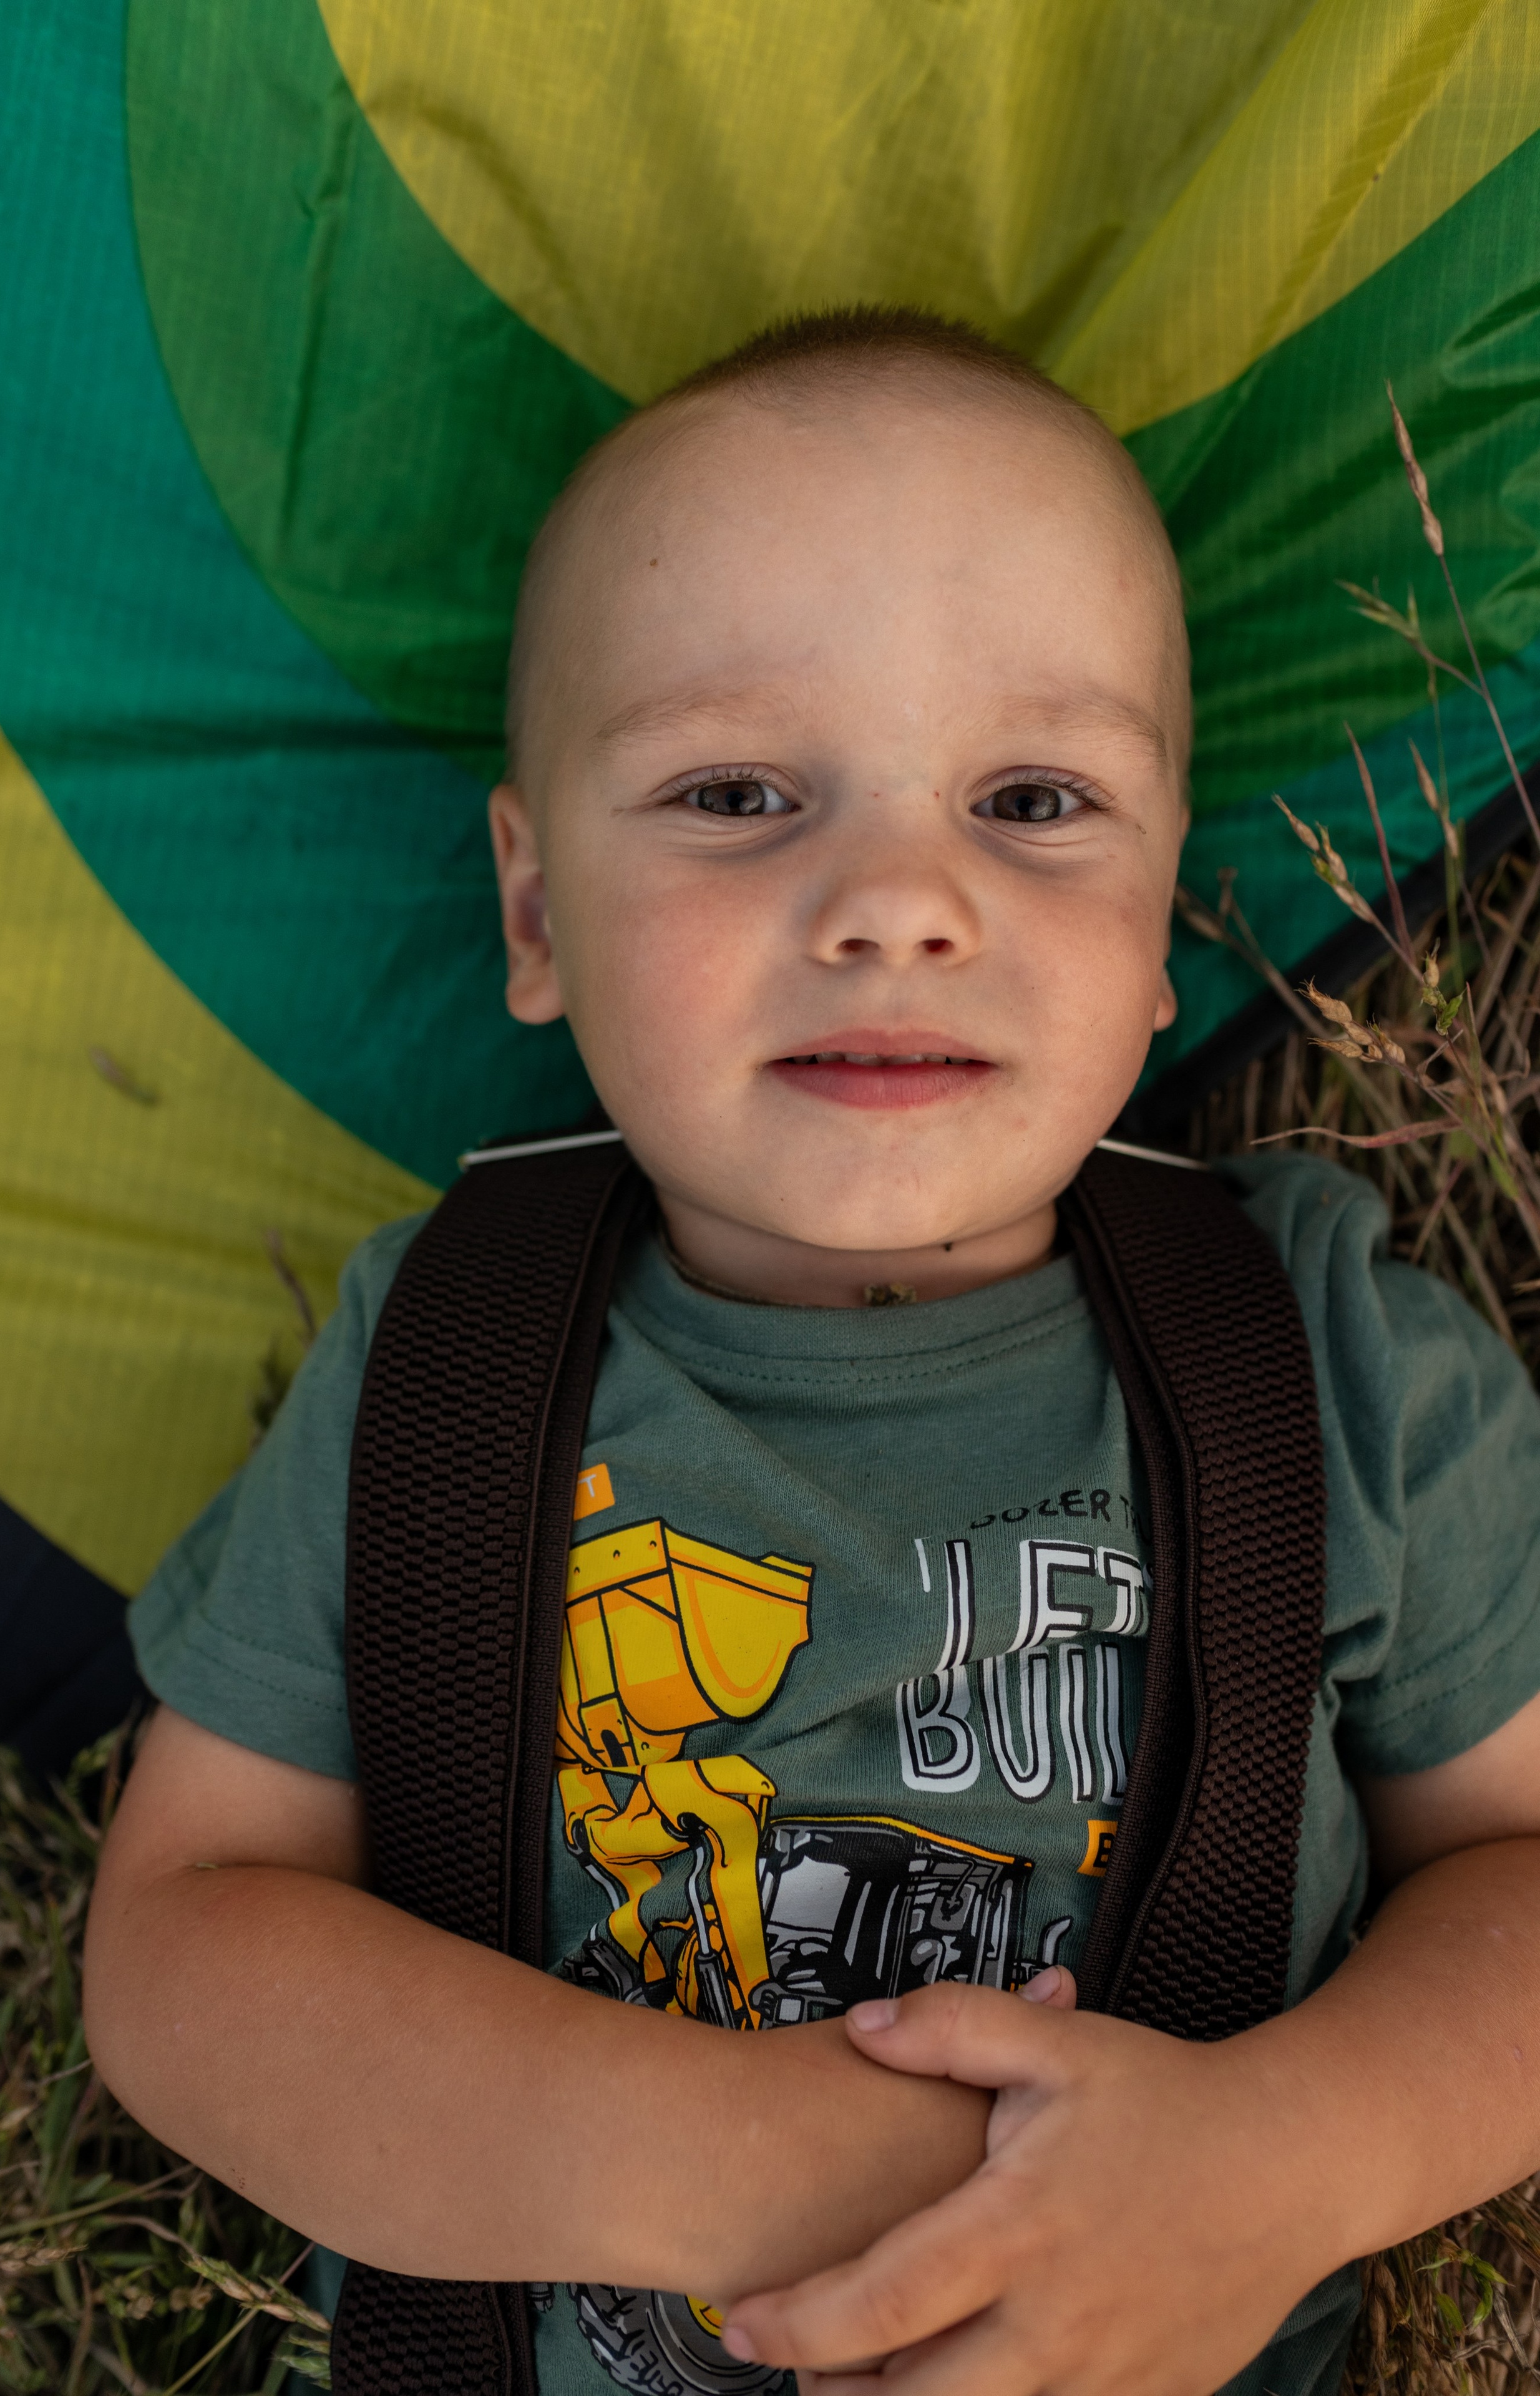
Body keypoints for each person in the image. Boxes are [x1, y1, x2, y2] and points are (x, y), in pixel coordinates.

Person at [84, 308, 1540, 2396]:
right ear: (536, 911)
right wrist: (713, 2157)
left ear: (1162, 932)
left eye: (1035, 798)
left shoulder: (1327, 1364)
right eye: (739, 790)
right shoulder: (450, 1376)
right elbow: (186, 1941)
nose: (894, 900)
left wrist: (1284, 2164)